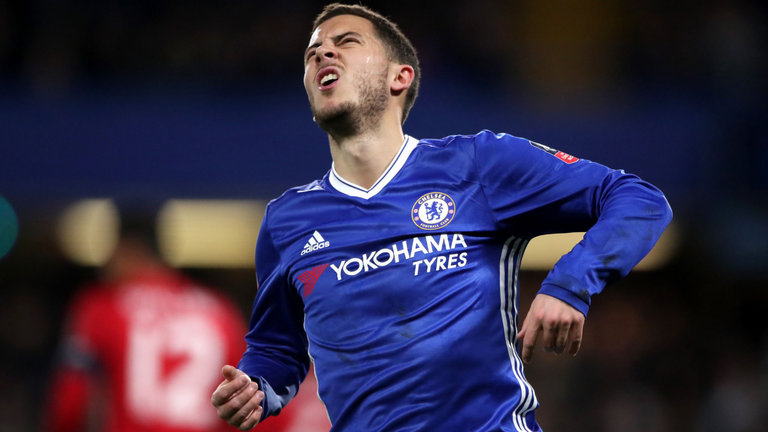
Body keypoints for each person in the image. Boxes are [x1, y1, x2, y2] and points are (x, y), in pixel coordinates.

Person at [211, 3, 673, 431]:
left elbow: (639, 200)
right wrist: (256, 387)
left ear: (399, 77)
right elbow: (277, 348)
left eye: (346, 41)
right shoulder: (286, 221)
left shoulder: (477, 164)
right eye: (312, 52)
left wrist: (569, 285)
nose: (322, 53)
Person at [44, 205, 248, 432]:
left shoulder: (103, 305)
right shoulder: (220, 310)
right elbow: (249, 402)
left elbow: (70, 402)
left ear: (127, 249)